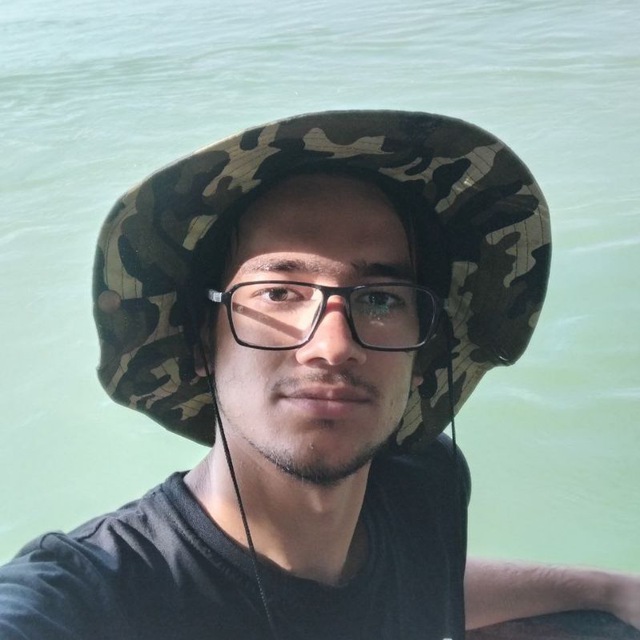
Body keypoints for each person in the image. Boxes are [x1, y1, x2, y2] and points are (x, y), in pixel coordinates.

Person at [0, 110, 638, 639]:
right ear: (200, 341)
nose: (332, 347)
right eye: (279, 293)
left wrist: (603, 588)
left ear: (425, 352)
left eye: (381, 298)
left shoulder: (425, 482)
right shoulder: (91, 593)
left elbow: (419, 584)